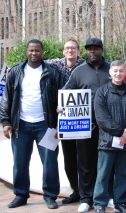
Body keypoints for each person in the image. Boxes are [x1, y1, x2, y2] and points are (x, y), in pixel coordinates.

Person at [0, 39, 63, 209]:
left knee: (50, 161)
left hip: (47, 125)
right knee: (20, 162)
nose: (34, 53)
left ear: (42, 52)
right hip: (21, 125)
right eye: (31, 50)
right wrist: (6, 122)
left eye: (37, 50)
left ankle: (50, 195)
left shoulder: (52, 72)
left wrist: (60, 120)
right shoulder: (16, 72)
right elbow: (6, 99)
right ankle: (20, 195)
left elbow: (62, 98)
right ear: (27, 52)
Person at [63, 37, 111, 213]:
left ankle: (107, 195)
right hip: (85, 125)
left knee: (107, 162)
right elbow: (67, 93)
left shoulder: (111, 69)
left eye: (96, 49)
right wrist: (61, 107)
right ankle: (86, 198)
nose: (92, 52)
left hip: (108, 126)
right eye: (89, 49)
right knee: (84, 163)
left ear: (101, 50)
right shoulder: (78, 71)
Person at [46, 38, 85, 204]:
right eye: (67, 48)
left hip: (83, 118)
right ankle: (76, 191)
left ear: (78, 50)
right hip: (64, 119)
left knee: (85, 159)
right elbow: (36, 61)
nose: (70, 51)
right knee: (69, 159)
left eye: (73, 48)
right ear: (63, 51)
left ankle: (86, 193)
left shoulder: (85, 66)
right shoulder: (55, 64)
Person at [93, 60, 126, 213]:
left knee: (123, 174)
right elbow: (102, 118)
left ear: (125, 72)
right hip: (107, 141)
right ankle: (99, 203)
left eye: (121, 71)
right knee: (103, 174)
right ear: (110, 72)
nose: (118, 74)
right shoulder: (102, 92)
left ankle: (120, 203)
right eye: (115, 71)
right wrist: (120, 132)